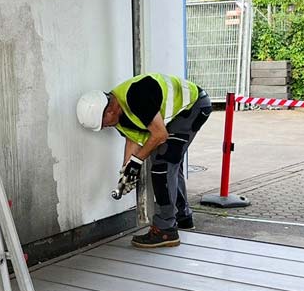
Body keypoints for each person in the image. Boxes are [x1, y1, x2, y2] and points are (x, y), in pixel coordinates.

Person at [76, 73, 211, 248]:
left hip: (194, 106)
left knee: (163, 165)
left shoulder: (137, 96)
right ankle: (182, 217)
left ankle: (166, 230)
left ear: (109, 111)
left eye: (103, 124)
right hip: (177, 115)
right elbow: (133, 140)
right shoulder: (118, 112)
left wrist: (136, 162)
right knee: (166, 161)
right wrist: (126, 171)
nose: (104, 128)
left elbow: (160, 135)